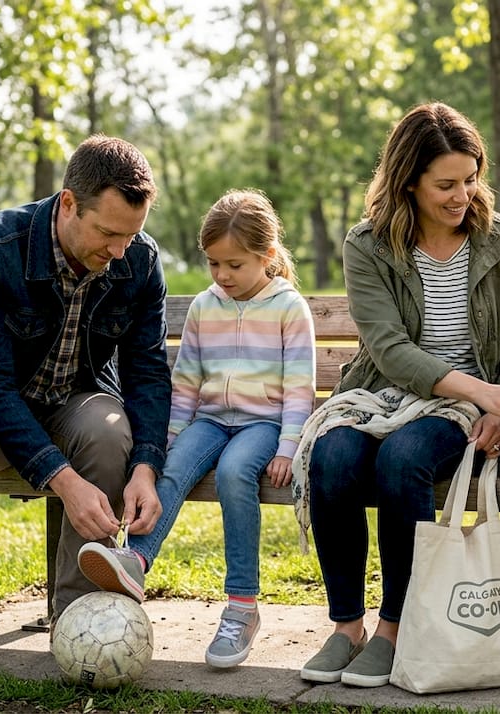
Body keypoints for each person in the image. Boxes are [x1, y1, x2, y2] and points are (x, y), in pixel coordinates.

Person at [296, 102, 500, 688]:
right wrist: (481, 391)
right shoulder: (370, 245)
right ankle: (346, 627)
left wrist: (494, 404)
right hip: (384, 393)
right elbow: (388, 349)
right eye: (446, 184)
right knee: (331, 458)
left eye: (471, 178)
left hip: (460, 407)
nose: (464, 194)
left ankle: (395, 627)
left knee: (403, 458)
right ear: (408, 180)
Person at [0, 135, 171, 678]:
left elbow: (147, 371)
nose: (120, 250)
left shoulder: (139, 261)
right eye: (108, 233)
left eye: (132, 234)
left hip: (70, 400)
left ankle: (77, 614)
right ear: (68, 203)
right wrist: (63, 479)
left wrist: (146, 466)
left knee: (108, 429)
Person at [78, 189, 316, 669]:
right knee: (170, 472)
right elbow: (185, 380)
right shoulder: (206, 307)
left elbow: (300, 389)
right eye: (213, 265)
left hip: (263, 425)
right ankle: (135, 561)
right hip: (209, 421)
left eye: (234, 265)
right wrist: (168, 440)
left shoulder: (289, 308)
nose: (222, 276)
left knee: (233, 474)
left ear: (266, 256)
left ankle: (242, 607)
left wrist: (290, 447)